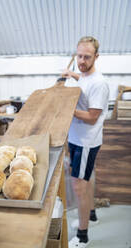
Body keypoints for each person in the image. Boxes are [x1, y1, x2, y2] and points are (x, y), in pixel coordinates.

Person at [62, 36, 109, 248]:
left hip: (85, 142)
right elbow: (82, 79)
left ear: (96, 57)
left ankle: (82, 236)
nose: (81, 61)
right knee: (87, 178)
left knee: (79, 185)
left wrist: (66, 109)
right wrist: (70, 74)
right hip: (77, 138)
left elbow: (92, 116)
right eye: (79, 56)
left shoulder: (99, 83)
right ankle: (90, 215)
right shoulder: (83, 75)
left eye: (87, 57)